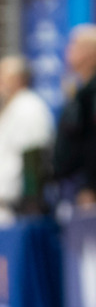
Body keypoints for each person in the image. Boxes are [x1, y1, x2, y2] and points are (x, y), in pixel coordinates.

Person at [0, 55, 54, 226]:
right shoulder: (2, 112)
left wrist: (24, 203)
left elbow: (33, 161)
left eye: (1, 75)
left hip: (16, 210)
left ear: (18, 78)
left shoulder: (29, 107)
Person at [53, 25, 96, 214]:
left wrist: (90, 185)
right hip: (72, 187)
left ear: (90, 53)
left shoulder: (92, 93)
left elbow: (93, 141)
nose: (67, 51)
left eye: (73, 45)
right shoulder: (80, 90)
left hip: (87, 190)